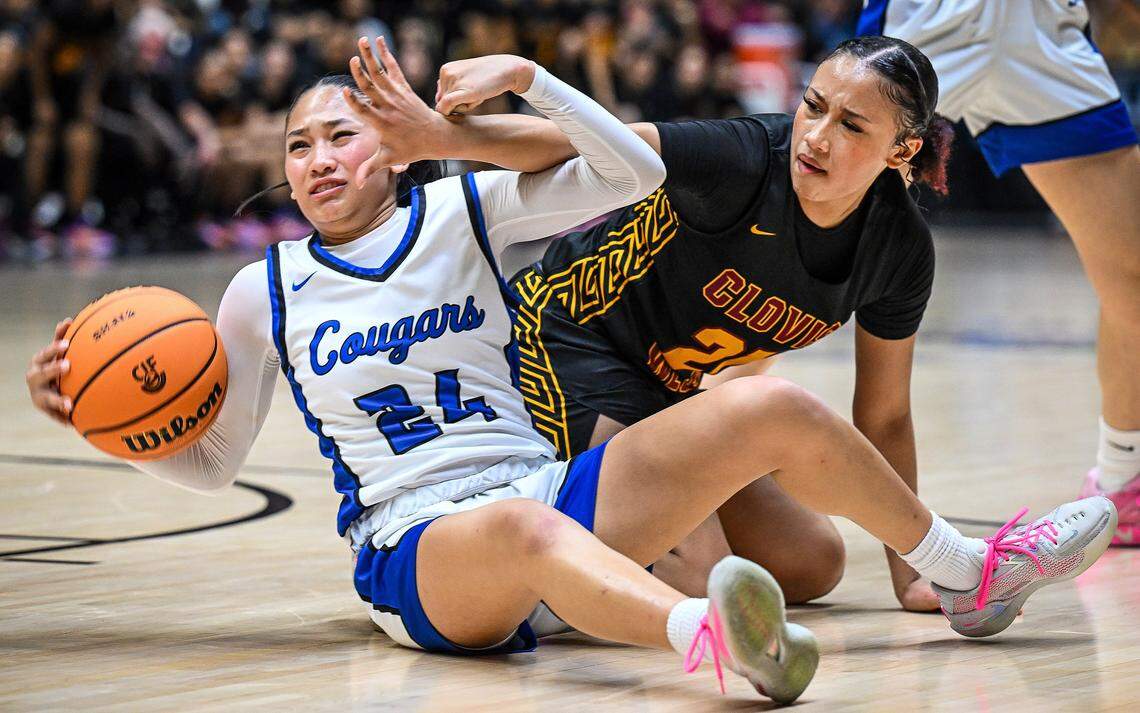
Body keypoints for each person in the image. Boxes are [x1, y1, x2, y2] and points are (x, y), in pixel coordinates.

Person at [26, 39, 1117, 704]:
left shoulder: (465, 212)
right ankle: (714, 642)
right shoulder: (258, 289)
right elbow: (212, 463)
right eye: (299, 144)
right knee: (532, 533)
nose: (319, 158)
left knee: (774, 409)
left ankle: (965, 568)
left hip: (547, 484)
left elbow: (630, 170)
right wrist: (108, 425)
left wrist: (531, 82)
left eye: (343, 135)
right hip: (420, 543)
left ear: (395, 144)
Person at [356, 35, 954, 612]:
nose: (817, 137)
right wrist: (442, 136)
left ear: (901, 151)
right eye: (814, 106)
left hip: (664, 391)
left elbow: (884, 415)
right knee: (704, 578)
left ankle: (586, 540)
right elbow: (586, 146)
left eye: (851, 126)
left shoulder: (898, 249)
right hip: (561, 338)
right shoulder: (746, 157)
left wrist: (912, 574)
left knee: (811, 563)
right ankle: (522, 549)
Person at [857, 0, 1140, 545]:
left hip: (1037, 24)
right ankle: (713, 430)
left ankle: (1123, 478)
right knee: (805, 225)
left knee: (1132, 265)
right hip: (930, 15)